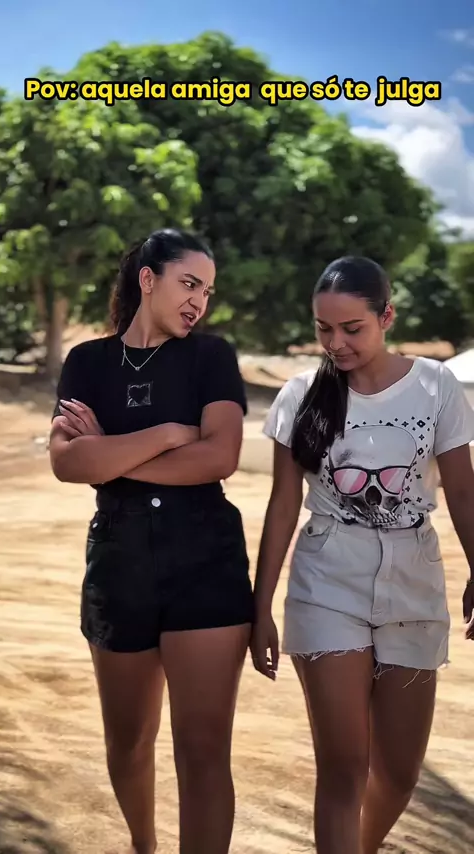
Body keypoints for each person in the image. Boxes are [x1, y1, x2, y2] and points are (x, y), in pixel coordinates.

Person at [250, 255, 474, 854]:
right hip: (327, 579)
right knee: (344, 767)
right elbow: (282, 505)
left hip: (414, 579)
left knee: (398, 773)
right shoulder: (301, 395)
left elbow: (463, 490)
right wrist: (260, 605)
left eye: (352, 328)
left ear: (387, 317)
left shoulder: (436, 386)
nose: (336, 343)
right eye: (324, 329)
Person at [49, 227, 254, 854]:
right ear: (148, 278)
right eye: (188, 284)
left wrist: (109, 455)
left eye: (207, 291)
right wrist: (167, 433)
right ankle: (144, 846)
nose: (199, 301)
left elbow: (218, 457)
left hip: (207, 561)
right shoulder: (87, 362)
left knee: (203, 748)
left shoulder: (210, 357)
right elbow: (66, 462)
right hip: (119, 563)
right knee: (129, 743)